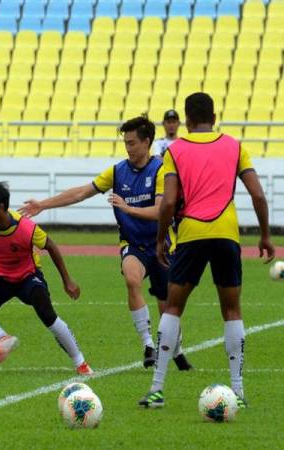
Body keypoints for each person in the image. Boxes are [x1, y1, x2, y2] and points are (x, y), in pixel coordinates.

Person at [20, 116, 192, 371]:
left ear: (147, 142)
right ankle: (148, 345)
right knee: (132, 279)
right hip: (133, 245)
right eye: (125, 143)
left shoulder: (161, 170)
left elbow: (159, 210)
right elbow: (81, 192)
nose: (128, 148)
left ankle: (176, 351)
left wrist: (128, 208)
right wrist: (43, 205)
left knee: (168, 308)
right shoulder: (117, 171)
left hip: (163, 246)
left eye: (132, 143)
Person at [139, 93, 275, 408]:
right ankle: (238, 392)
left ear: (186, 120)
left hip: (190, 234)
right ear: (214, 117)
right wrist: (265, 235)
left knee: (173, 307)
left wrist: (160, 240)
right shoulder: (235, 146)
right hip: (226, 233)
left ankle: (157, 390)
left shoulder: (175, 150)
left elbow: (169, 202)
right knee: (231, 310)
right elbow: (257, 194)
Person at [0, 182, 93, 375]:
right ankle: (2, 337)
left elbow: (51, 246)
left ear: (1, 207)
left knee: (47, 315)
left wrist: (67, 280)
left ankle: (81, 363)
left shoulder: (27, 229)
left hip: (28, 277)